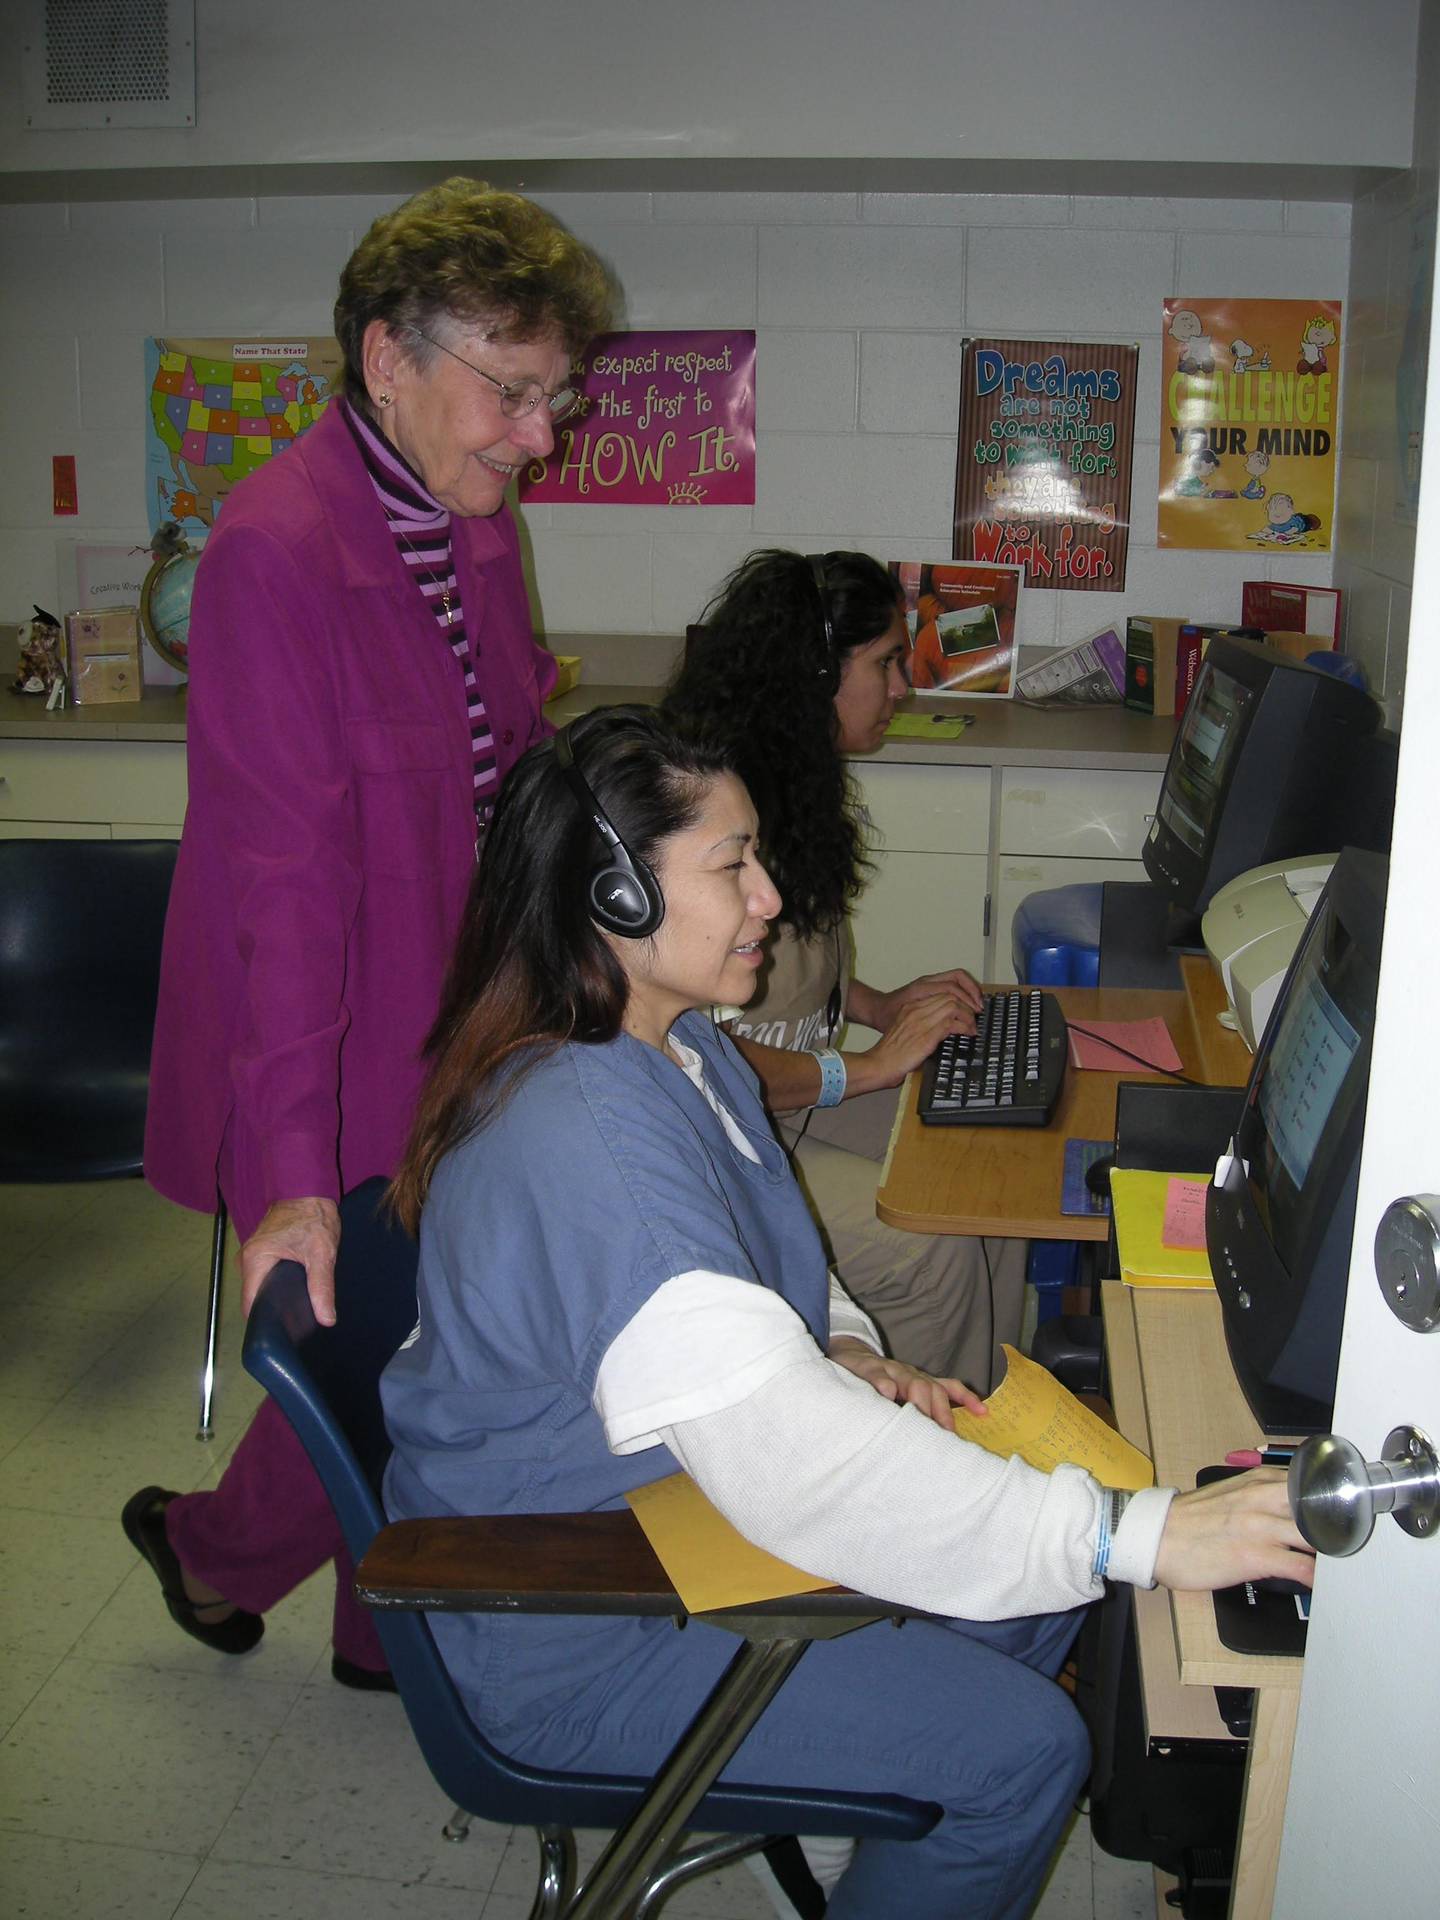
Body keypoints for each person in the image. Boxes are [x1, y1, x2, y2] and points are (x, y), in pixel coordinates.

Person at [381, 705, 1314, 1920]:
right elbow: (792, 1459)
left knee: (1032, 1592)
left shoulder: (677, 1048)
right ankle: (855, 1822)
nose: (769, 896)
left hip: (671, 1512)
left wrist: (841, 1350)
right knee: (1026, 1751)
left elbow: (779, 1261)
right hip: (574, 1614)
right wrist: (1140, 1535)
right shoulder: (586, 1139)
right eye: (732, 866)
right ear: (614, 898)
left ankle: (826, 1836)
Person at [123, 178, 611, 1685]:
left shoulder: (464, 519)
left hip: (453, 1015)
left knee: (416, 1340)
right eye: (514, 394)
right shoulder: (276, 553)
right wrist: (285, 1181)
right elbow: (284, 883)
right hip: (321, 1046)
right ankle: (221, 1555)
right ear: (387, 357)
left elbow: (508, 753)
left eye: (557, 398)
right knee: (387, 1332)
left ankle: (352, 1620)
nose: (541, 437)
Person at [661, 549, 1023, 1392]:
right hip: (725, 1132)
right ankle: (936, 1471)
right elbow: (696, 1056)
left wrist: (878, 1003)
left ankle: (1008, 1420)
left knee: (987, 1169)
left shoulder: (793, 786)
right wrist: (868, 1065)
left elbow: (791, 975)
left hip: (795, 1093)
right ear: (817, 674)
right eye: (887, 663)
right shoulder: (715, 822)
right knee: (930, 1249)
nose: (904, 685)